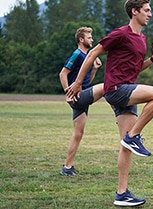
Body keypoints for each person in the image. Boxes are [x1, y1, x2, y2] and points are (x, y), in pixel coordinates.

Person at [65, 0, 153, 206]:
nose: (150, 14)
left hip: (126, 89)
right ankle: (134, 136)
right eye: (147, 10)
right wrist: (78, 82)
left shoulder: (142, 39)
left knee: (125, 146)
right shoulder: (120, 34)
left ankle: (122, 194)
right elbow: (94, 52)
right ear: (135, 11)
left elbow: (134, 69)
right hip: (116, 89)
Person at [59, 27, 103, 176]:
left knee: (78, 133)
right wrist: (68, 92)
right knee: (106, 87)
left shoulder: (88, 57)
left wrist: (95, 69)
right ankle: (123, 109)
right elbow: (63, 73)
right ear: (81, 40)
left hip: (82, 94)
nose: (92, 39)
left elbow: (86, 82)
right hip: (76, 97)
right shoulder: (78, 54)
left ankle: (67, 167)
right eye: (89, 37)